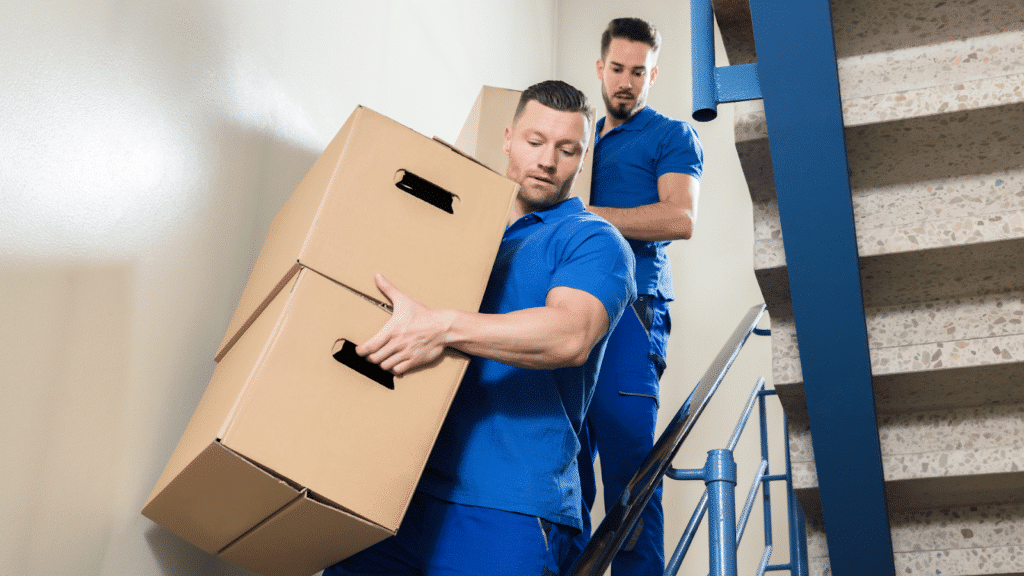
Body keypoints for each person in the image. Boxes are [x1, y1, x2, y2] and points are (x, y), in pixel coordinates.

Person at [324, 80, 636, 576]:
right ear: (508, 138)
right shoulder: (460, 230)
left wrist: (443, 328)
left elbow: (570, 335)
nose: (548, 161)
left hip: (507, 500)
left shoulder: (594, 241)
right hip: (396, 485)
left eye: (567, 149)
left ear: (583, 157)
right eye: (535, 142)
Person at [572, 17, 704, 576]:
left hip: (632, 310)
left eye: (639, 72)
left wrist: (588, 217)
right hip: (566, 308)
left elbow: (680, 217)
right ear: (601, 69)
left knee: (629, 469)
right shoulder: (575, 139)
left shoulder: (671, 135)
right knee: (564, 468)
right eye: (618, 69)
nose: (626, 82)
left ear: (654, 75)